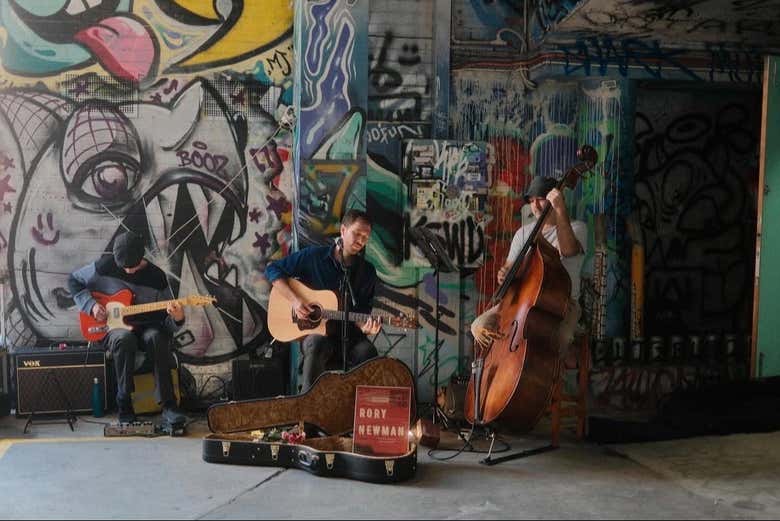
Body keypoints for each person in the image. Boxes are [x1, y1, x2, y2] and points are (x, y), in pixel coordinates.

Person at [68, 231, 188, 425]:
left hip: (147, 329)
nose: (128, 271)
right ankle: (124, 405)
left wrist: (178, 318)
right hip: (112, 328)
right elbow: (73, 280)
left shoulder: (157, 277)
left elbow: (167, 322)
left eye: (132, 266)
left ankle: (169, 406)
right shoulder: (103, 266)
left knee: (157, 338)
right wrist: (91, 306)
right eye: (123, 266)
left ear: (141, 257)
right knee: (124, 339)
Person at [265, 209, 382, 392]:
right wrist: (295, 301)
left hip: (350, 337)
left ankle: (358, 412)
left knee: (368, 353)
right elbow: (273, 270)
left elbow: (363, 311)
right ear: (343, 230)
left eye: (365, 237)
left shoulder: (366, 272)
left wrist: (365, 326)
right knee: (317, 344)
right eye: (356, 233)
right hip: (318, 335)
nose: (360, 241)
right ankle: (308, 412)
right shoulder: (314, 257)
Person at [471, 176, 587, 354]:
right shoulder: (523, 233)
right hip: (522, 299)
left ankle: (554, 380)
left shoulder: (577, 228)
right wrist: (505, 274)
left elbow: (569, 251)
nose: (535, 206)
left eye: (540, 199)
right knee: (478, 326)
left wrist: (561, 210)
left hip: (562, 303)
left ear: (554, 199)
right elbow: (511, 268)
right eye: (531, 201)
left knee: (561, 338)